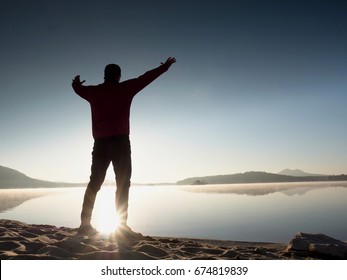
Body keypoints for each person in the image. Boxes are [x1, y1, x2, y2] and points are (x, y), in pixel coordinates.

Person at [72, 57, 176, 235]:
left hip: (101, 144)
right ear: (118, 76)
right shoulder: (125, 88)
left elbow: (78, 89)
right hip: (120, 143)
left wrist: (76, 84)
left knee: (94, 183)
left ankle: (84, 224)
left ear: (104, 75)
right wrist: (165, 67)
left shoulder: (93, 92)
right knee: (122, 184)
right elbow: (146, 78)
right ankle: (121, 226)